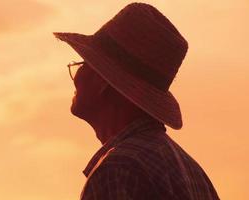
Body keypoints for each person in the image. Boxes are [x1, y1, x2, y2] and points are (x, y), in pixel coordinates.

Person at [53, 2, 220, 200]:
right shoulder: (194, 174)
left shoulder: (117, 170)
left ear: (102, 81)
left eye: (84, 64)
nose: (77, 76)